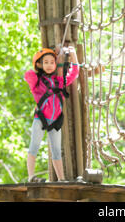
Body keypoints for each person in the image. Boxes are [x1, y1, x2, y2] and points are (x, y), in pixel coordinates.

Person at [24, 46, 79, 182]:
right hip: (41, 119)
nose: (49, 65)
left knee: (56, 151)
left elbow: (74, 73)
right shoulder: (37, 81)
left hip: (55, 121)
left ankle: (61, 179)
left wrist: (72, 54)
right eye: (46, 62)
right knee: (34, 146)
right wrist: (39, 64)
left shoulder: (59, 81)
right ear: (40, 65)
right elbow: (28, 75)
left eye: (52, 62)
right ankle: (31, 176)